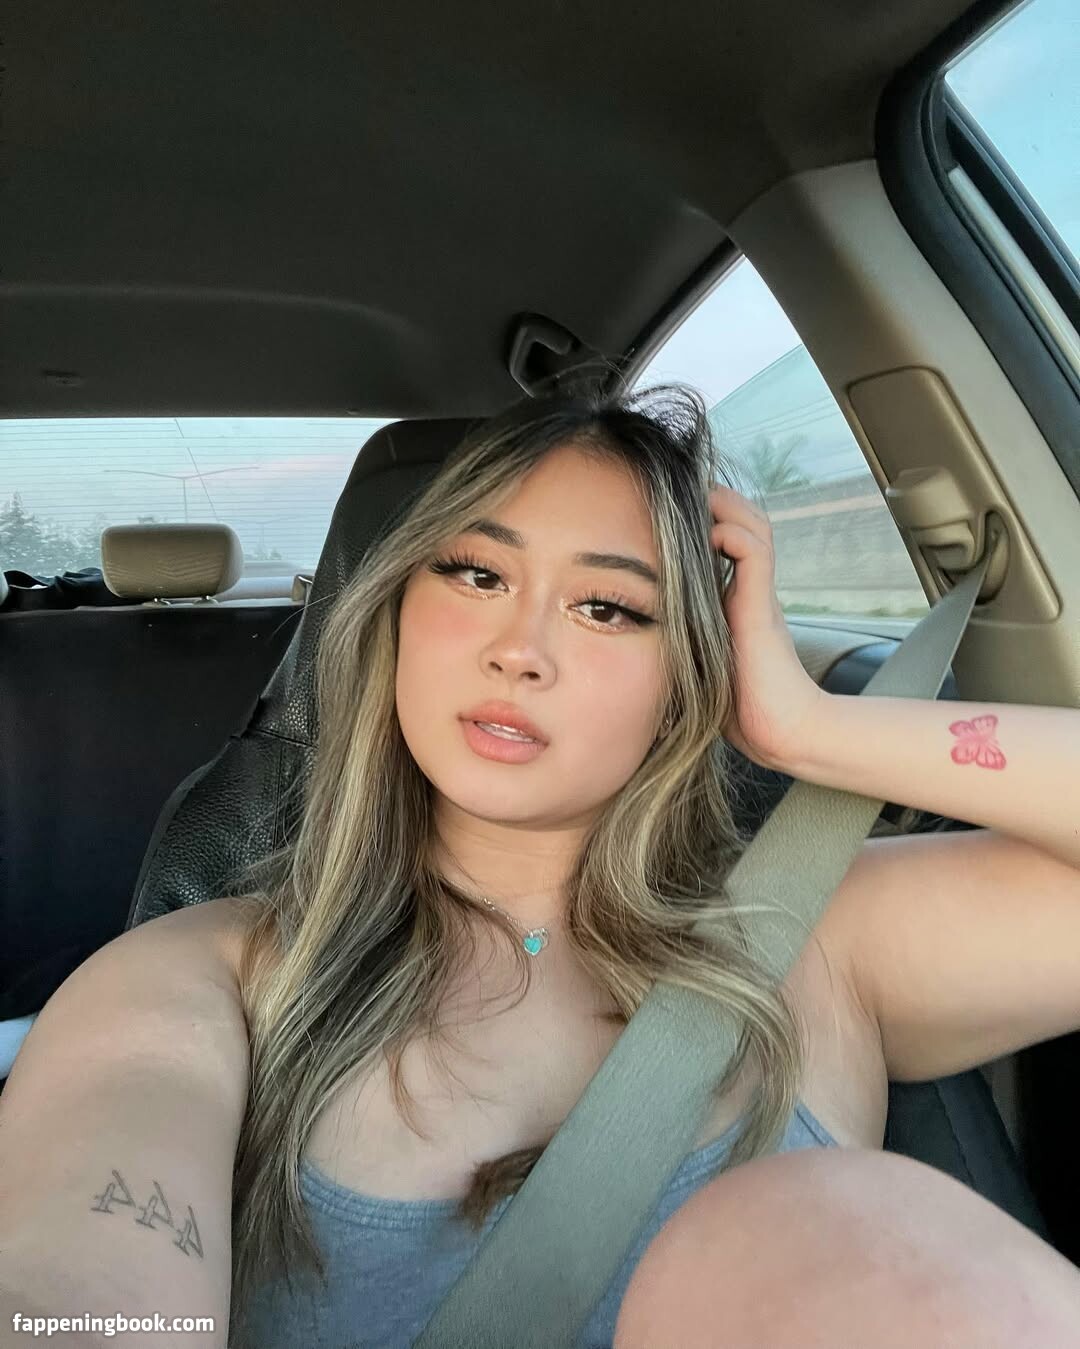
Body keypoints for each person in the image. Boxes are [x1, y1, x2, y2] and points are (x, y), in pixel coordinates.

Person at [3, 381, 1080, 1348]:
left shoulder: (820, 936)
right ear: (396, 611)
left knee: (835, 1225)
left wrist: (806, 727)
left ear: (687, 673)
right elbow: (77, 1291)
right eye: (477, 572)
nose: (521, 648)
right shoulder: (204, 978)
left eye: (607, 606)